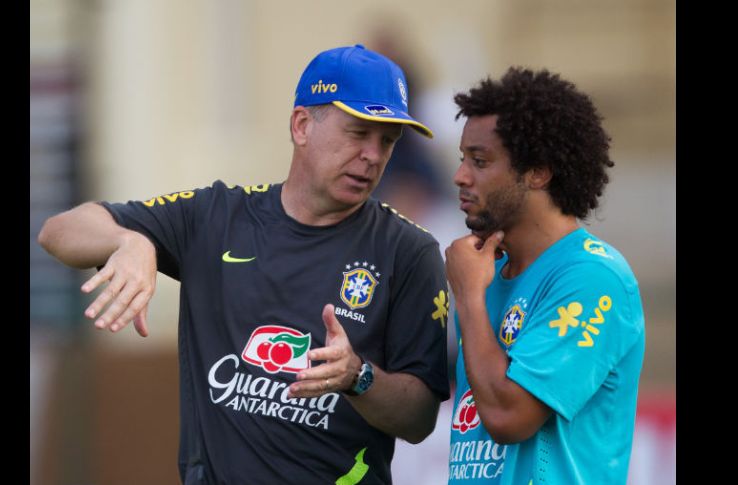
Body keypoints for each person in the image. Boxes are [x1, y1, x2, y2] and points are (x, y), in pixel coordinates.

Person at [38, 44, 450, 485]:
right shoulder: (216, 216)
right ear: (302, 125)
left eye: (387, 141)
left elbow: (419, 417)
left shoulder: (410, 251)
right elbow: (59, 231)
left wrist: (358, 376)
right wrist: (130, 240)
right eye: (358, 132)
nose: (373, 155)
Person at [444, 67, 645, 484]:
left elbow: (507, 416)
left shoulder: (592, 278)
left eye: (480, 161)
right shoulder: (487, 274)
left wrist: (468, 297)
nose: (460, 177)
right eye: (462, 159)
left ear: (538, 172)